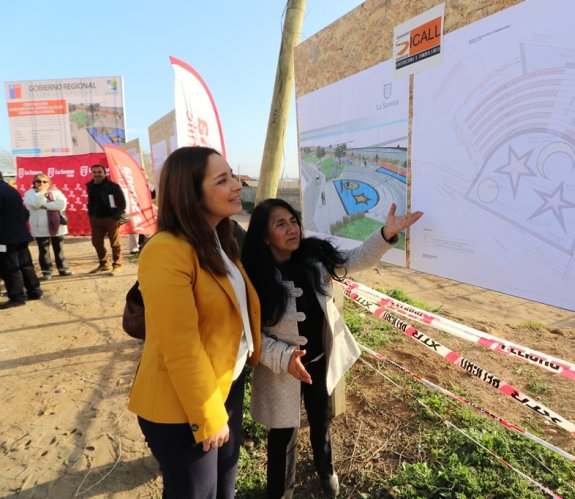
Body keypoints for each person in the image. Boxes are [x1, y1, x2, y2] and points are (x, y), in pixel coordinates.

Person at [241, 198, 422, 498]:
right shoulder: (254, 278)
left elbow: (354, 259)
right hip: (280, 370)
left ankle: (325, 469)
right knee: (282, 434)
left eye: (293, 220)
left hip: (318, 361)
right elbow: (249, 335)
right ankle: (279, 492)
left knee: (320, 419)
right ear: (264, 236)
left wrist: (385, 234)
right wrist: (283, 357)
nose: (292, 228)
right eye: (280, 224)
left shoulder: (314, 259)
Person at [128, 146, 262, 499]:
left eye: (233, 176)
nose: (237, 186)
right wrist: (208, 415)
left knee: (224, 488)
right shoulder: (166, 250)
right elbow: (180, 343)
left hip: (226, 386)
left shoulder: (220, 240)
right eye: (223, 180)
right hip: (181, 405)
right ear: (191, 194)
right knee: (196, 493)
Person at [0, 173, 43, 309]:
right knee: (25, 264)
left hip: (5, 237)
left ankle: (17, 296)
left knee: (9, 267)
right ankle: (34, 291)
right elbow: (25, 212)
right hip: (20, 234)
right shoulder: (10, 189)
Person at [23, 174, 73, 279]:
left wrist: (44, 206)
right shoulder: (29, 193)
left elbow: (62, 205)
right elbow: (33, 205)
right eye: (38, 181)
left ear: (49, 183)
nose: (42, 183)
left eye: (45, 181)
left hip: (57, 225)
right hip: (39, 226)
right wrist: (41, 193)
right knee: (44, 250)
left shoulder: (56, 191)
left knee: (59, 248)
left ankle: (63, 269)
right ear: (34, 183)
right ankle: (47, 272)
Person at [86, 164, 126, 275]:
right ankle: (104, 264)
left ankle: (117, 265)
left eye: (99, 172)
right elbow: (90, 202)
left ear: (104, 173)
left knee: (115, 243)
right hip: (96, 219)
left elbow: (122, 203)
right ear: (92, 173)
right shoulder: (90, 185)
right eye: (94, 172)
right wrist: (91, 215)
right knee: (96, 242)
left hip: (111, 219)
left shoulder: (113, 186)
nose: (97, 174)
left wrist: (115, 217)